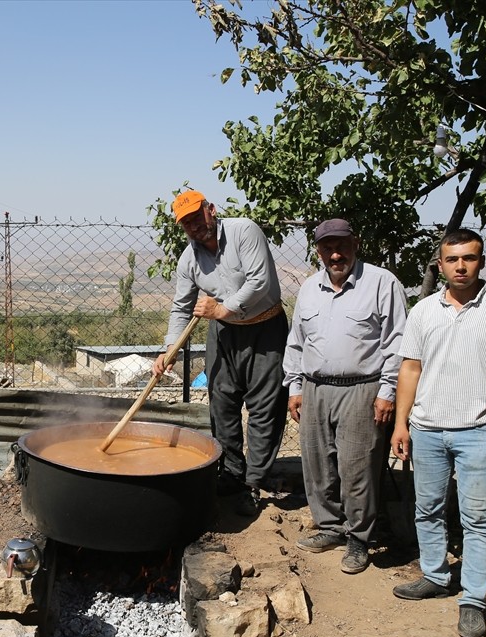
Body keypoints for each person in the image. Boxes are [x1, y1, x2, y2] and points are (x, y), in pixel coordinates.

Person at [390, 228, 486, 637]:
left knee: (479, 519)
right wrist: (402, 423)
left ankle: (472, 599)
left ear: (482, 261)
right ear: (441, 264)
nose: (460, 266)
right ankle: (434, 574)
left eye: (469, 258)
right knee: (427, 508)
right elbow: (410, 368)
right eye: (452, 260)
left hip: (480, 429)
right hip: (428, 428)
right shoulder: (424, 310)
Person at [283, 219, 408, 574]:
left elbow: (397, 341)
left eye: (341, 246)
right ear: (318, 251)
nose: (335, 254)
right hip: (315, 388)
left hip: (361, 389)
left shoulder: (382, 283)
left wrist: (387, 391)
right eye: (327, 248)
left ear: (355, 243)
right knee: (318, 466)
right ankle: (329, 528)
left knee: (357, 468)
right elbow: (297, 341)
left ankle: (358, 539)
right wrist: (295, 387)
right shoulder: (309, 288)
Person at [153, 190, 288, 517]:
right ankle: (231, 473)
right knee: (222, 403)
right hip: (223, 332)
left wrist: (224, 308)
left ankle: (254, 482)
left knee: (264, 407)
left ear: (211, 210)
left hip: (265, 328)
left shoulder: (245, 231)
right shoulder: (189, 259)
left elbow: (260, 281)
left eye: (197, 216)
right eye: (187, 222)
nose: (195, 225)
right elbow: (181, 308)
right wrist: (170, 348)